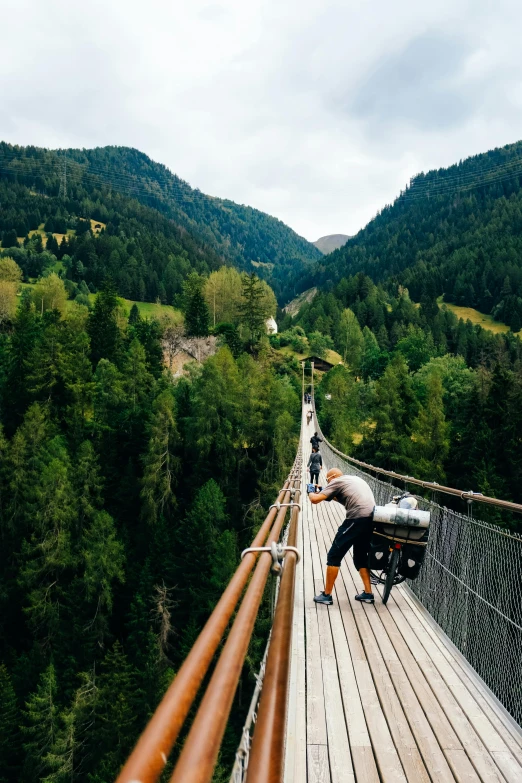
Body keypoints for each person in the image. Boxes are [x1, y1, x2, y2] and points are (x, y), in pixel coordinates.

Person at [310, 468, 375, 605]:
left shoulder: (337, 481)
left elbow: (315, 500)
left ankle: (327, 595)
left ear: (333, 477)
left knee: (334, 555)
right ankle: (368, 594)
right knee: (360, 557)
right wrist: (324, 491)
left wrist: (310, 491)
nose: (328, 483)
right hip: (371, 519)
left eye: (328, 481)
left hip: (356, 519)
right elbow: (338, 496)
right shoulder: (352, 479)